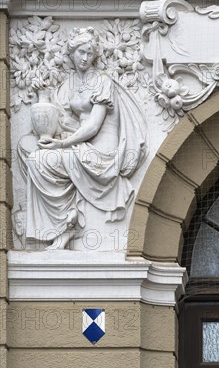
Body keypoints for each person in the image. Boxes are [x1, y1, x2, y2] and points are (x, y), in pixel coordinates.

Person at [21, 27, 147, 249]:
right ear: (72, 53)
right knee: (26, 147)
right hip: (80, 144)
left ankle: (65, 226)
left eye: (90, 53)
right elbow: (57, 121)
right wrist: (41, 95)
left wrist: (60, 144)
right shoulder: (68, 85)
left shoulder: (102, 81)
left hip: (102, 150)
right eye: (81, 52)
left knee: (39, 160)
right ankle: (67, 217)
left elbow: (93, 126)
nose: (85, 58)